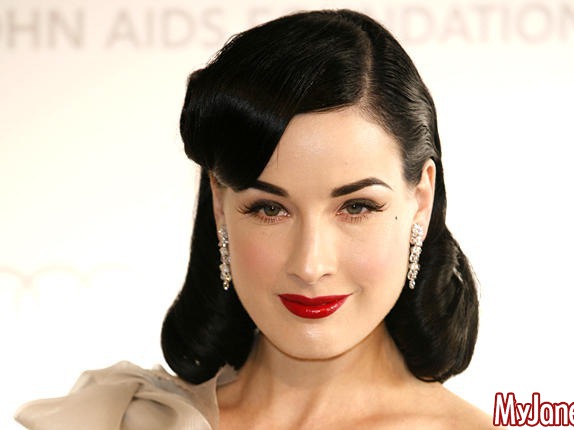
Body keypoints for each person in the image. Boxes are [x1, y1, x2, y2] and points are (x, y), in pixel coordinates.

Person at [16, 9, 495, 429]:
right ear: (220, 203)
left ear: (421, 200)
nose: (310, 265)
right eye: (270, 209)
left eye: (356, 207)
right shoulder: (117, 421)